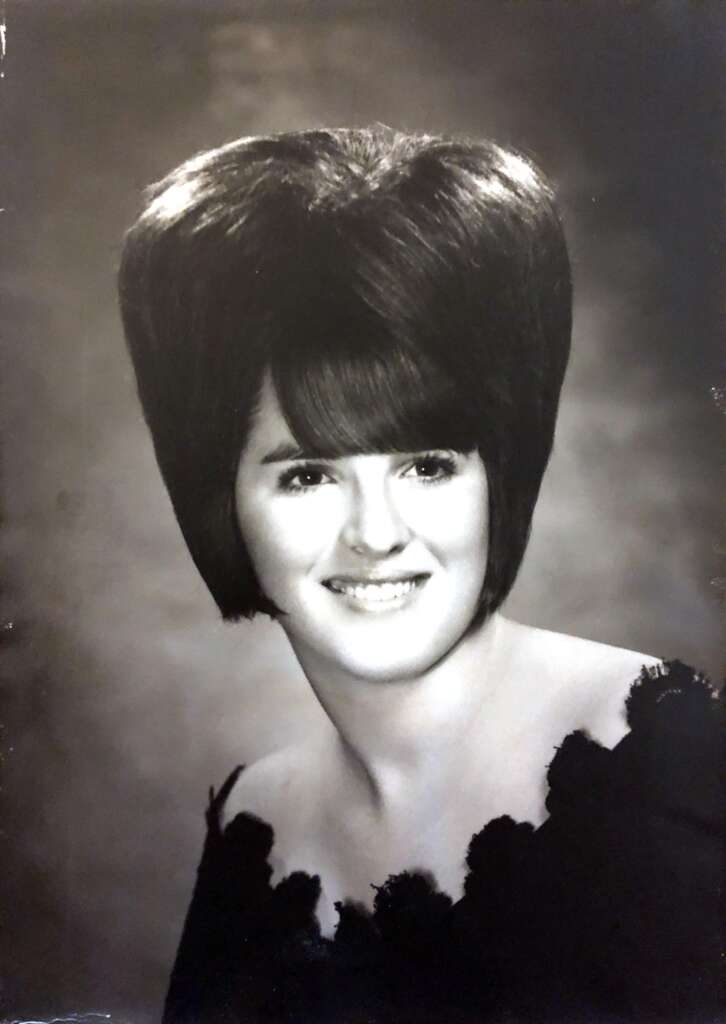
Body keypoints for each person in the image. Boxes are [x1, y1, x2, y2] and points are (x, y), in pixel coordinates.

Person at [118, 127, 723, 1023]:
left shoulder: (662, 751)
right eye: (310, 474)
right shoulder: (256, 820)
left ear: (498, 474)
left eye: (427, 466)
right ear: (221, 495)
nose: (376, 535)